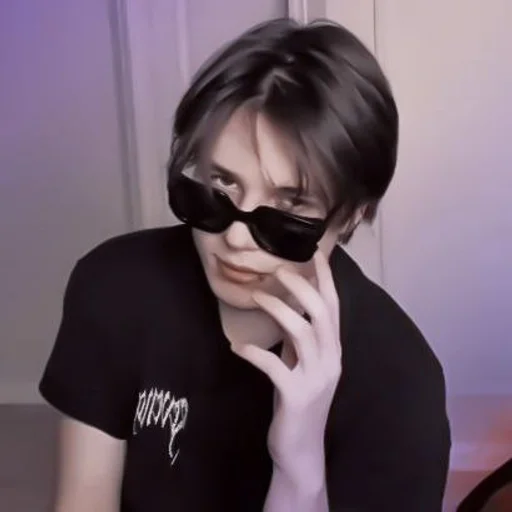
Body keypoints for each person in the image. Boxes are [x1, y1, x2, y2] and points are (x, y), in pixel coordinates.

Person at [40, 17, 451, 512]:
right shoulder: (114, 286)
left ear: (351, 216)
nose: (234, 239)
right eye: (220, 186)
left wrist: (299, 467)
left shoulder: (400, 382)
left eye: (288, 209)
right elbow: (84, 500)